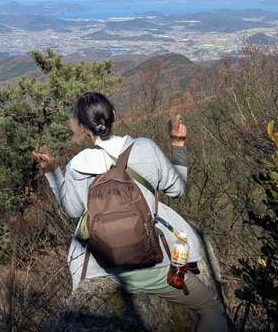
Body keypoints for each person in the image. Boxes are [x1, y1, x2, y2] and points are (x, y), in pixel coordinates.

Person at [33, 92, 227, 332]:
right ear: (114, 115)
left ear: (83, 128)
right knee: (212, 311)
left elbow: (72, 210)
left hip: (103, 269)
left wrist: (53, 171)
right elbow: (178, 189)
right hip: (155, 266)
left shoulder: (79, 164)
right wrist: (178, 145)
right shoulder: (146, 148)